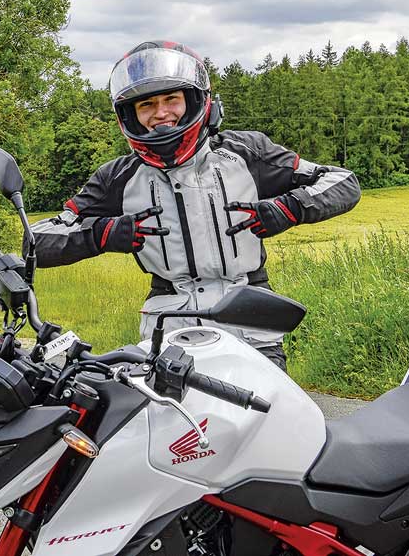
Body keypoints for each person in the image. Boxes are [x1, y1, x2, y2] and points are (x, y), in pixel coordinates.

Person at [30, 41, 361, 371]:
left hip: (250, 317)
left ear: (194, 101)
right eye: (147, 104)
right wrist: (100, 235)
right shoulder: (117, 178)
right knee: (168, 421)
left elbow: (343, 181)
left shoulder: (247, 152)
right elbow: (37, 241)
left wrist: (291, 208)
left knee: (274, 417)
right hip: (169, 327)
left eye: (171, 99)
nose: (161, 113)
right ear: (130, 113)